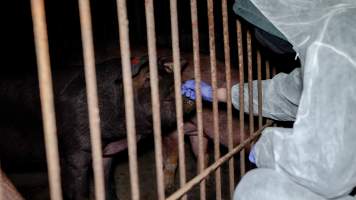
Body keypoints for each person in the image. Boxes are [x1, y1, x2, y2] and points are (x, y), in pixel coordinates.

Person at [181, 0, 356, 199]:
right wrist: (218, 94)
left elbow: (326, 168)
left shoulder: (334, 41)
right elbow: (289, 93)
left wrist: (268, 148)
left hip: (334, 175)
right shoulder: (340, 28)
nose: (257, 36)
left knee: (257, 189)